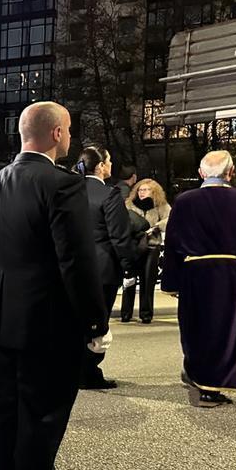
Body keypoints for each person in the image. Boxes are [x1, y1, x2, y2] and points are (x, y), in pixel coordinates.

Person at [0, 102, 108, 470]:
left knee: (4, 418)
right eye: (69, 129)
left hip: (2, 319)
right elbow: (76, 261)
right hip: (48, 323)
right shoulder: (63, 185)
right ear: (57, 133)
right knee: (41, 423)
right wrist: (95, 323)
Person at [162, 151, 236, 408]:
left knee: (195, 326)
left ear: (201, 173)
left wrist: (172, 282)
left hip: (194, 272)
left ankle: (196, 371)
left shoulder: (184, 201)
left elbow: (173, 243)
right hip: (230, 274)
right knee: (226, 330)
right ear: (230, 173)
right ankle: (210, 388)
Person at [74, 146, 136, 390]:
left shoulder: (68, 191)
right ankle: (88, 372)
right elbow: (120, 236)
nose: (111, 165)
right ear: (100, 166)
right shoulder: (109, 195)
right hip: (101, 270)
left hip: (70, 268)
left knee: (75, 321)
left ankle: (73, 369)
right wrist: (129, 267)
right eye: (108, 161)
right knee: (97, 324)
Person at [122, 178, 170, 323]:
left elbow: (170, 219)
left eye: (146, 190)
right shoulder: (129, 204)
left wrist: (156, 227)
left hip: (151, 246)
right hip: (133, 245)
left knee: (148, 280)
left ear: (154, 192)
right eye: (140, 190)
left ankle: (146, 313)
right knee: (129, 280)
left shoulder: (161, 205)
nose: (142, 192)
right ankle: (126, 313)